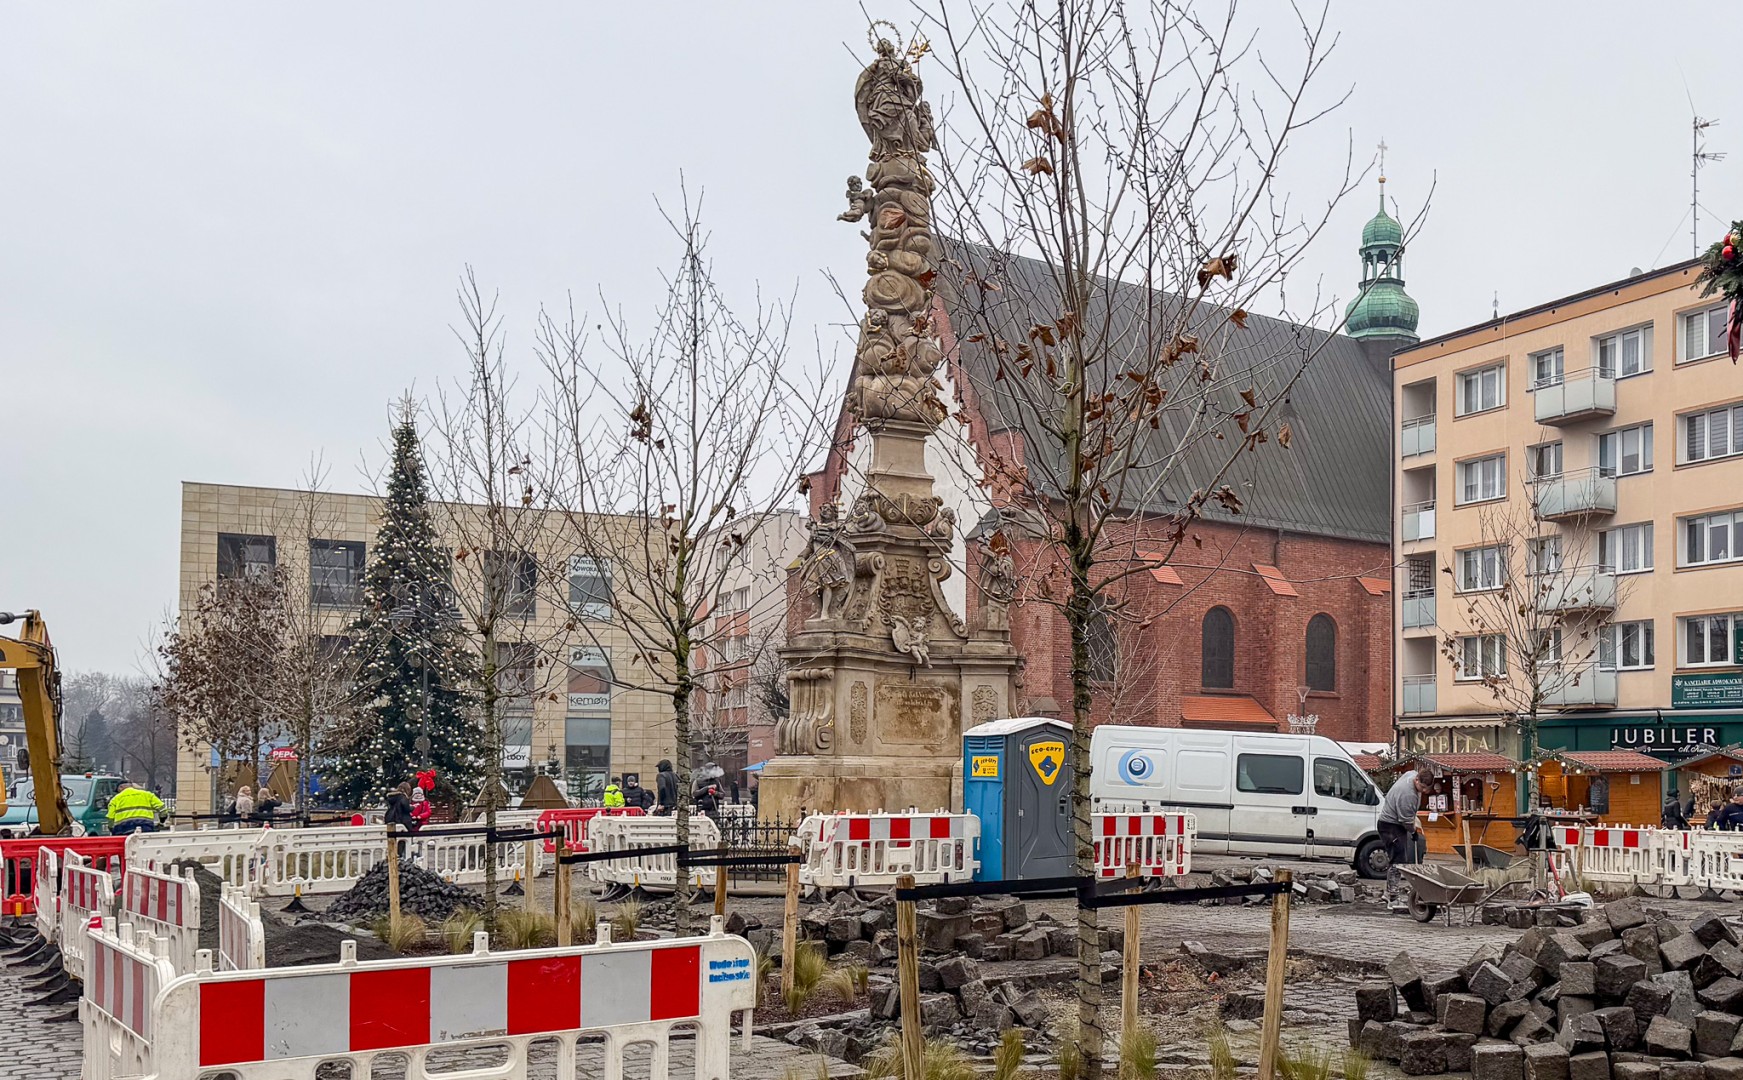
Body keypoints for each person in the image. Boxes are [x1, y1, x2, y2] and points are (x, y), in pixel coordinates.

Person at [1378, 768, 1431, 912]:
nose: (1424, 791)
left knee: (1396, 858)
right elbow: (1405, 820)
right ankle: (1393, 899)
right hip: (1390, 826)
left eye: (1427, 789)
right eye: (1422, 787)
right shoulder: (1407, 794)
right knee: (1398, 860)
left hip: (1392, 824)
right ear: (1417, 780)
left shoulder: (1412, 773)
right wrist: (1413, 832)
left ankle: (1388, 893)